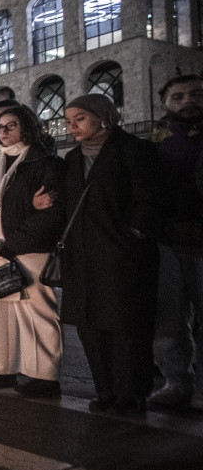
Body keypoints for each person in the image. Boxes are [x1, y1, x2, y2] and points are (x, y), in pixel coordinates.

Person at [54, 95, 160, 413]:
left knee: (125, 326)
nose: (72, 126)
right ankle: (105, 391)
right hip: (82, 258)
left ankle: (131, 393)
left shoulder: (133, 149)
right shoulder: (72, 159)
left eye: (80, 119)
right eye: (69, 120)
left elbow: (150, 198)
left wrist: (133, 234)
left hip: (121, 257)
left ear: (104, 118)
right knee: (90, 325)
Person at [0, 103, 65, 396]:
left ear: (27, 127)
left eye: (11, 126)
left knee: (36, 309)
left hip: (28, 247)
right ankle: (1, 368)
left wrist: (12, 244)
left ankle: (43, 375)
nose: (4, 131)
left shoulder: (44, 162)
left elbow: (49, 213)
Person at [148, 74, 203, 410]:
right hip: (166, 240)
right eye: (178, 96)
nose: (188, 101)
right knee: (168, 317)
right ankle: (176, 381)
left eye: (196, 94)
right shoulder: (155, 142)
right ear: (165, 103)